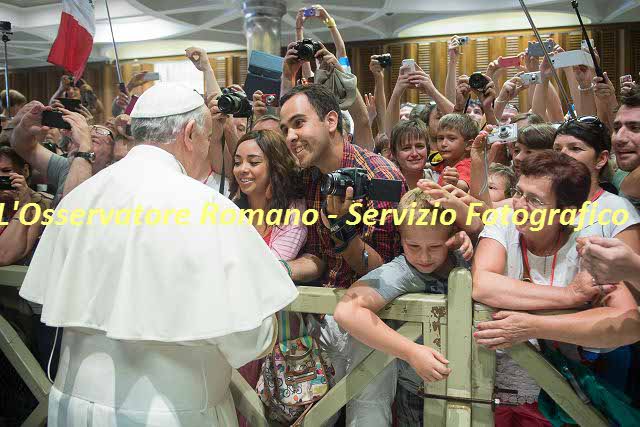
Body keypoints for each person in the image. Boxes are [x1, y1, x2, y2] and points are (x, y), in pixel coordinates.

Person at [18, 82, 298, 427]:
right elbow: (249, 337)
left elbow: (45, 299)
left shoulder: (78, 199)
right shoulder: (208, 209)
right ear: (190, 133)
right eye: (208, 139)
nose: (207, 150)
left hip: (74, 407)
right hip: (170, 411)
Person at [472, 150, 639, 426]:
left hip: (564, 397)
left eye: (534, 200)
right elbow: (483, 284)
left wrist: (534, 326)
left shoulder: (589, 244)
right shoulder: (503, 222)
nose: (519, 205)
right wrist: (570, 296)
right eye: (518, 192)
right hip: (496, 387)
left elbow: (628, 322)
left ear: (567, 212)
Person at [279, 83, 405, 426]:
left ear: (331, 121)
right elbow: (317, 254)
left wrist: (344, 232)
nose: (291, 136)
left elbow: (385, 271)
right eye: (285, 128)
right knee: (310, 419)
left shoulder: (378, 176)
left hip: (372, 322)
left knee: (368, 418)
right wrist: (282, 268)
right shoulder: (308, 176)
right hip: (321, 318)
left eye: (299, 123)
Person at [334, 188, 472, 426]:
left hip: (473, 386)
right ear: (400, 236)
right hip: (417, 389)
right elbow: (347, 310)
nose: (424, 257)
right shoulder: (401, 271)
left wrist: (473, 235)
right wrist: (411, 352)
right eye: (413, 246)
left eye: (435, 247)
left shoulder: (467, 253)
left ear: (452, 236)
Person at [553, 115, 640, 249]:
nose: (562, 154)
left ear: (601, 159)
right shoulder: (539, 201)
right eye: (557, 149)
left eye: (575, 148)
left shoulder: (618, 209)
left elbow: (628, 262)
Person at [432, 113, 478, 191]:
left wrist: (455, 183)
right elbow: (431, 165)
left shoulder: (467, 165)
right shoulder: (443, 159)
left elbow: (464, 186)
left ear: (469, 145)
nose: (443, 144)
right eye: (440, 138)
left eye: (451, 138)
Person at [389, 119, 429, 190]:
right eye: (406, 148)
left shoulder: (439, 180)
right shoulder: (388, 184)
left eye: (419, 146)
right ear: (394, 153)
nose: (414, 154)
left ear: (427, 149)